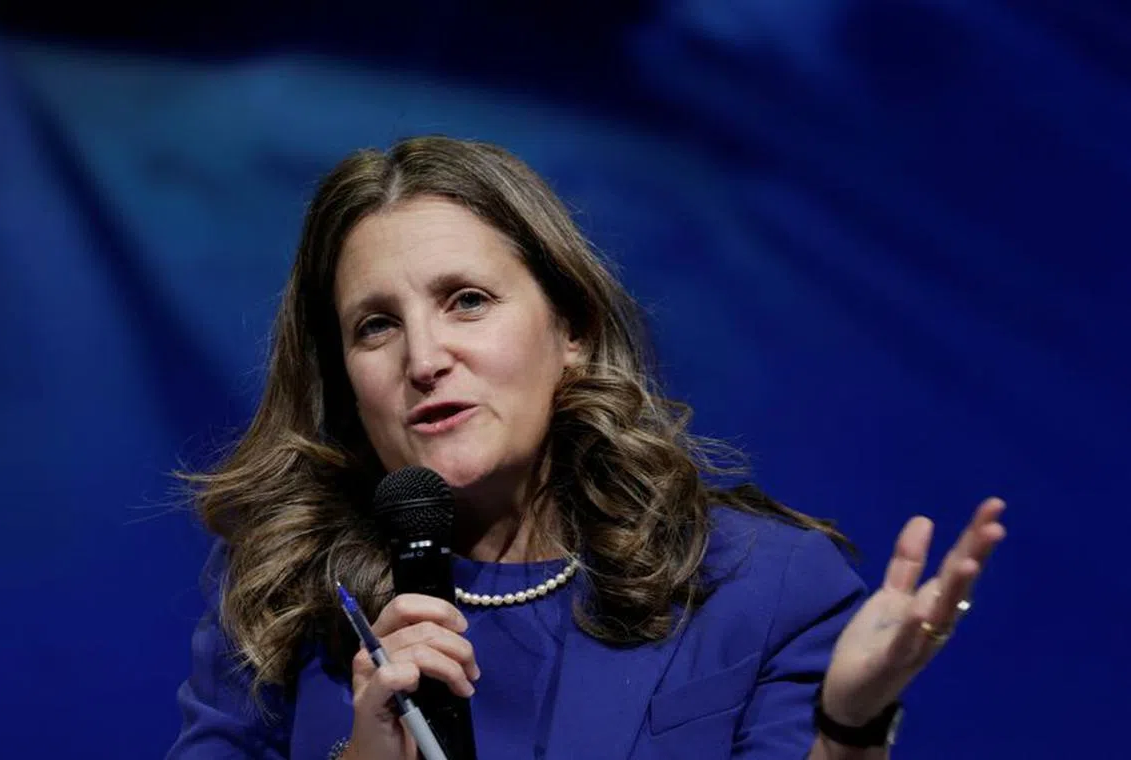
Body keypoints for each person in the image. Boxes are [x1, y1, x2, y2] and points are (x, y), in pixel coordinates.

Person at [165, 135, 1005, 760]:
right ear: (344, 377)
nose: (423, 359)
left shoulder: (761, 588)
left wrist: (847, 729)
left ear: (571, 328)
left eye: (466, 301)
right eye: (376, 326)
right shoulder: (281, 605)